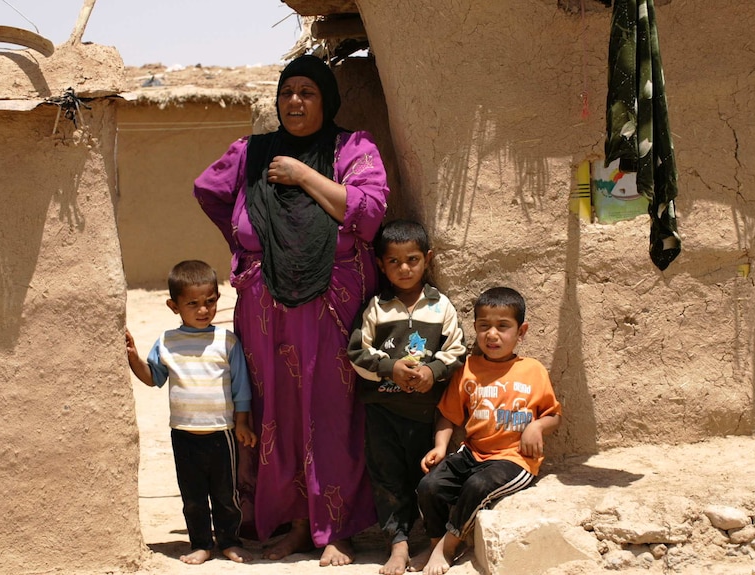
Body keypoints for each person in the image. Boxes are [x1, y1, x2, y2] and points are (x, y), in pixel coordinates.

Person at [193, 54, 390, 566]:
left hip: (331, 307)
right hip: (265, 313)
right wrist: (245, 249)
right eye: (287, 93)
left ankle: (336, 525)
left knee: (329, 411)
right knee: (273, 409)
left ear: (326, 101)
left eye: (308, 92)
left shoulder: (353, 148)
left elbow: (366, 214)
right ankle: (293, 523)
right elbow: (210, 190)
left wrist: (303, 174)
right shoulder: (252, 153)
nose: (295, 102)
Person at [347, 219, 466, 575]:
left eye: (412, 259)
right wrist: (390, 368)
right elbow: (357, 352)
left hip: (424, 413)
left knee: (425, 481)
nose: (404, 268)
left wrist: (433, 372)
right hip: (382, 411)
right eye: (394, 261)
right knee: (387, 480)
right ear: (381, 264)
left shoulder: (439, 305)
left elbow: (457, 350)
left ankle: (430, 543)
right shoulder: (377, 308)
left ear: (427, 259)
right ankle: (397, 545)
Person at [415, 287, 562, 575]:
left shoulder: (533, 370)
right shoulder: (467, 367)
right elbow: (448, 414)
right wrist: (440, 447)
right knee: (428, 487)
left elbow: (554, 415)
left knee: (477, 487)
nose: (492, 335)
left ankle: (449, 545)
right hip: (472, 453)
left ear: (521, 331)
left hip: (515, 459)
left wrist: (537, 425)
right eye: (484, 326)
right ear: (475, 329)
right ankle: (435, 541)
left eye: (503, 327)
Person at [124, 260, 257, 565]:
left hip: (221, 434)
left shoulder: (226, 342)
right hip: (183, 434)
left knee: (226, 496)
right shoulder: (167, 342)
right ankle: (201, 544)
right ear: (174, 306)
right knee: (193, 498)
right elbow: (153, 378)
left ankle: (228, 541)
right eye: (193, 304)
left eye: (210, 302)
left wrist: (242, 423)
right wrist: (133, 357)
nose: (203, 310)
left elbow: (241, 388)